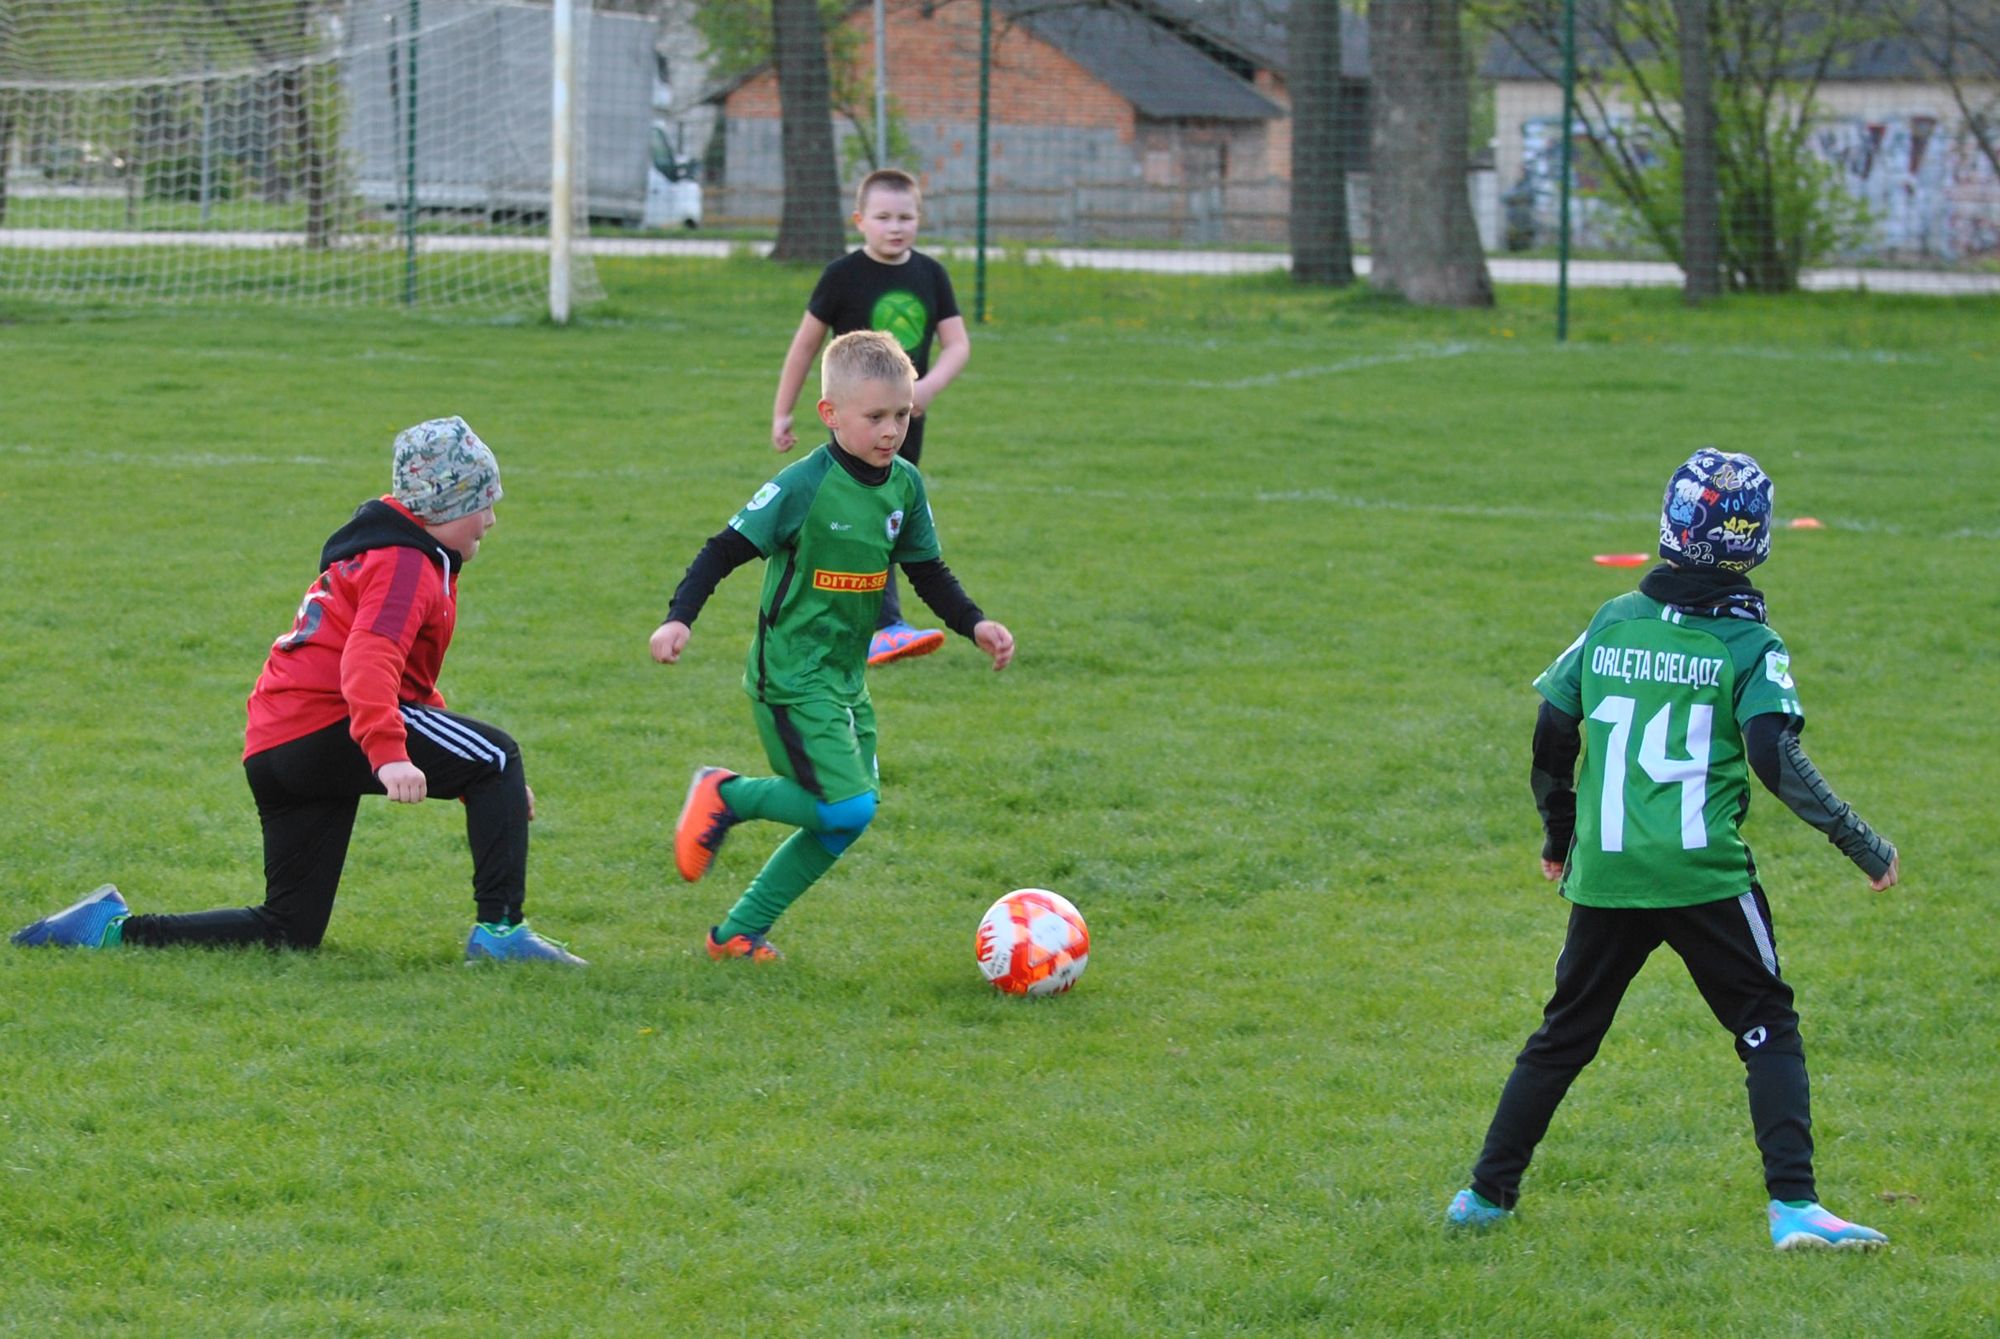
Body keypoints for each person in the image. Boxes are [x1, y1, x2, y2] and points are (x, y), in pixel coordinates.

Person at [1445, 449, 1898, 1250]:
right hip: (1700, 871)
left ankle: (1485, 1194)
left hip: (1609, 868)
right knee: (1765, 1020)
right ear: (1753, 540)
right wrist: (1860, 841)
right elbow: (1772, 755)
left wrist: (1559, 834)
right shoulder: (1751, 644)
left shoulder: (1615, 617)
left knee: (1564, 1034)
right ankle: (1794, 1208)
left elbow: (1553, 730)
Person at [12, 417, 584, 966]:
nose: (489, 520)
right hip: (327, 725)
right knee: (499, 753)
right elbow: (369, 661)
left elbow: (406, 689)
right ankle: (501, 933)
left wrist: (474, 783)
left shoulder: (393, 552)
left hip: (276, 744)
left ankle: (106, 932)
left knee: (288, 930)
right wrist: (392, 756)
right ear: (444, 507)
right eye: (482, 504)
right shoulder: (407, 561)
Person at [654, 330, 1013, 961]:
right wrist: (679, 618)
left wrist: (975, 623)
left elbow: (927, 570)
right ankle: (725, 793)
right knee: (845, 807)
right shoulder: (803, 485)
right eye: (875, 417)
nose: (891, 430)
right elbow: (723, 549)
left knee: (849, 816)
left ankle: (738, 933)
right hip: (791, 676)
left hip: (847, 677)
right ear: (831, 415)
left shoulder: (904, 485)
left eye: (902, 415)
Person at [770, 167, 971, 667]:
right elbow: (804, 346)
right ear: (860, 220)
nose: (895, 227)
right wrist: (783, 411)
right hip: (855, 424)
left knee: (887, 512)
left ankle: (856, 620)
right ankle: (883, 625)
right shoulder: (843, 275)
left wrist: (926, 387)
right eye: (883, 217)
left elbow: (957, 344)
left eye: (906, 217)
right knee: (871, 514)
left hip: (904, 422)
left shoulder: (930, 274)